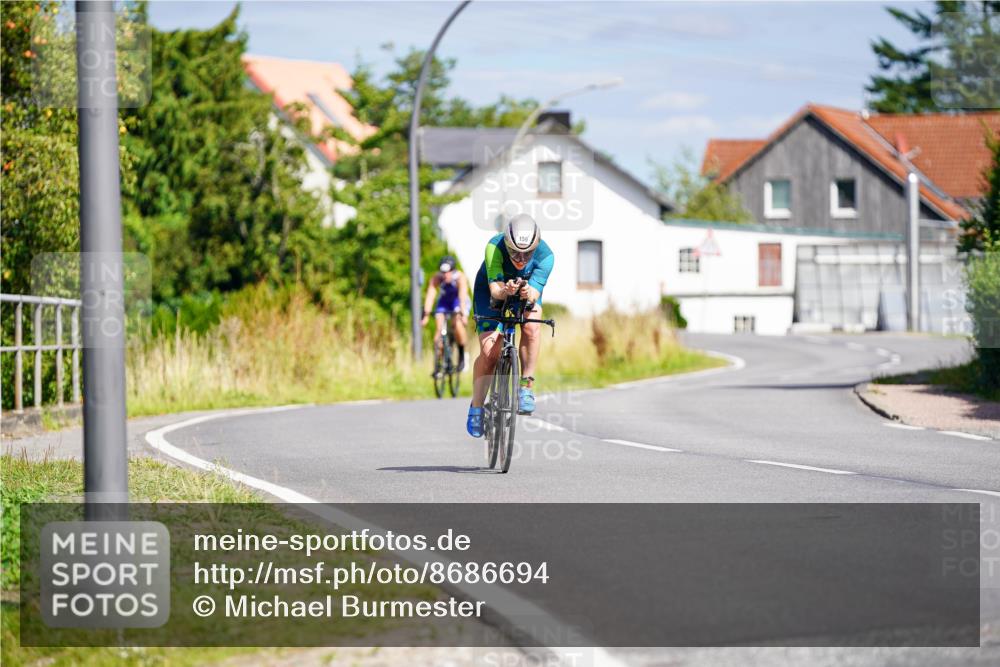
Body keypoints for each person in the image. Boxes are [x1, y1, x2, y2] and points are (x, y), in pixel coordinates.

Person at [467, 214, 554, 438]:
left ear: (536, 247)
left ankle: (526, 385)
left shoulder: (546, 256)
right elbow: (496, 291)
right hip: (490, 290)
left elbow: (534, 294)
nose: (520, 259)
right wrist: (506, 290)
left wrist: (526, 293)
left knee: (532, 327)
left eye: (527, 254)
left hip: (525, 293)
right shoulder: (494, 247)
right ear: (506, 243)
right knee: (490, 352)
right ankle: (477, 406)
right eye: (514, 252)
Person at [421, 256, 470, 372]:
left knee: (457, 324)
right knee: (439, 330)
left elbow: (462, 295)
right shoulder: (437, 278)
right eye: (443, 272)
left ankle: (462, 353)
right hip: (444, 302)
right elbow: (431, 295)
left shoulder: (460, 277)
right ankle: (439, 363)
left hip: (457, 302)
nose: (445, 275)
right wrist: (426, 315)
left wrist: (463, 314)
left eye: (448, 272)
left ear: (453, 271)